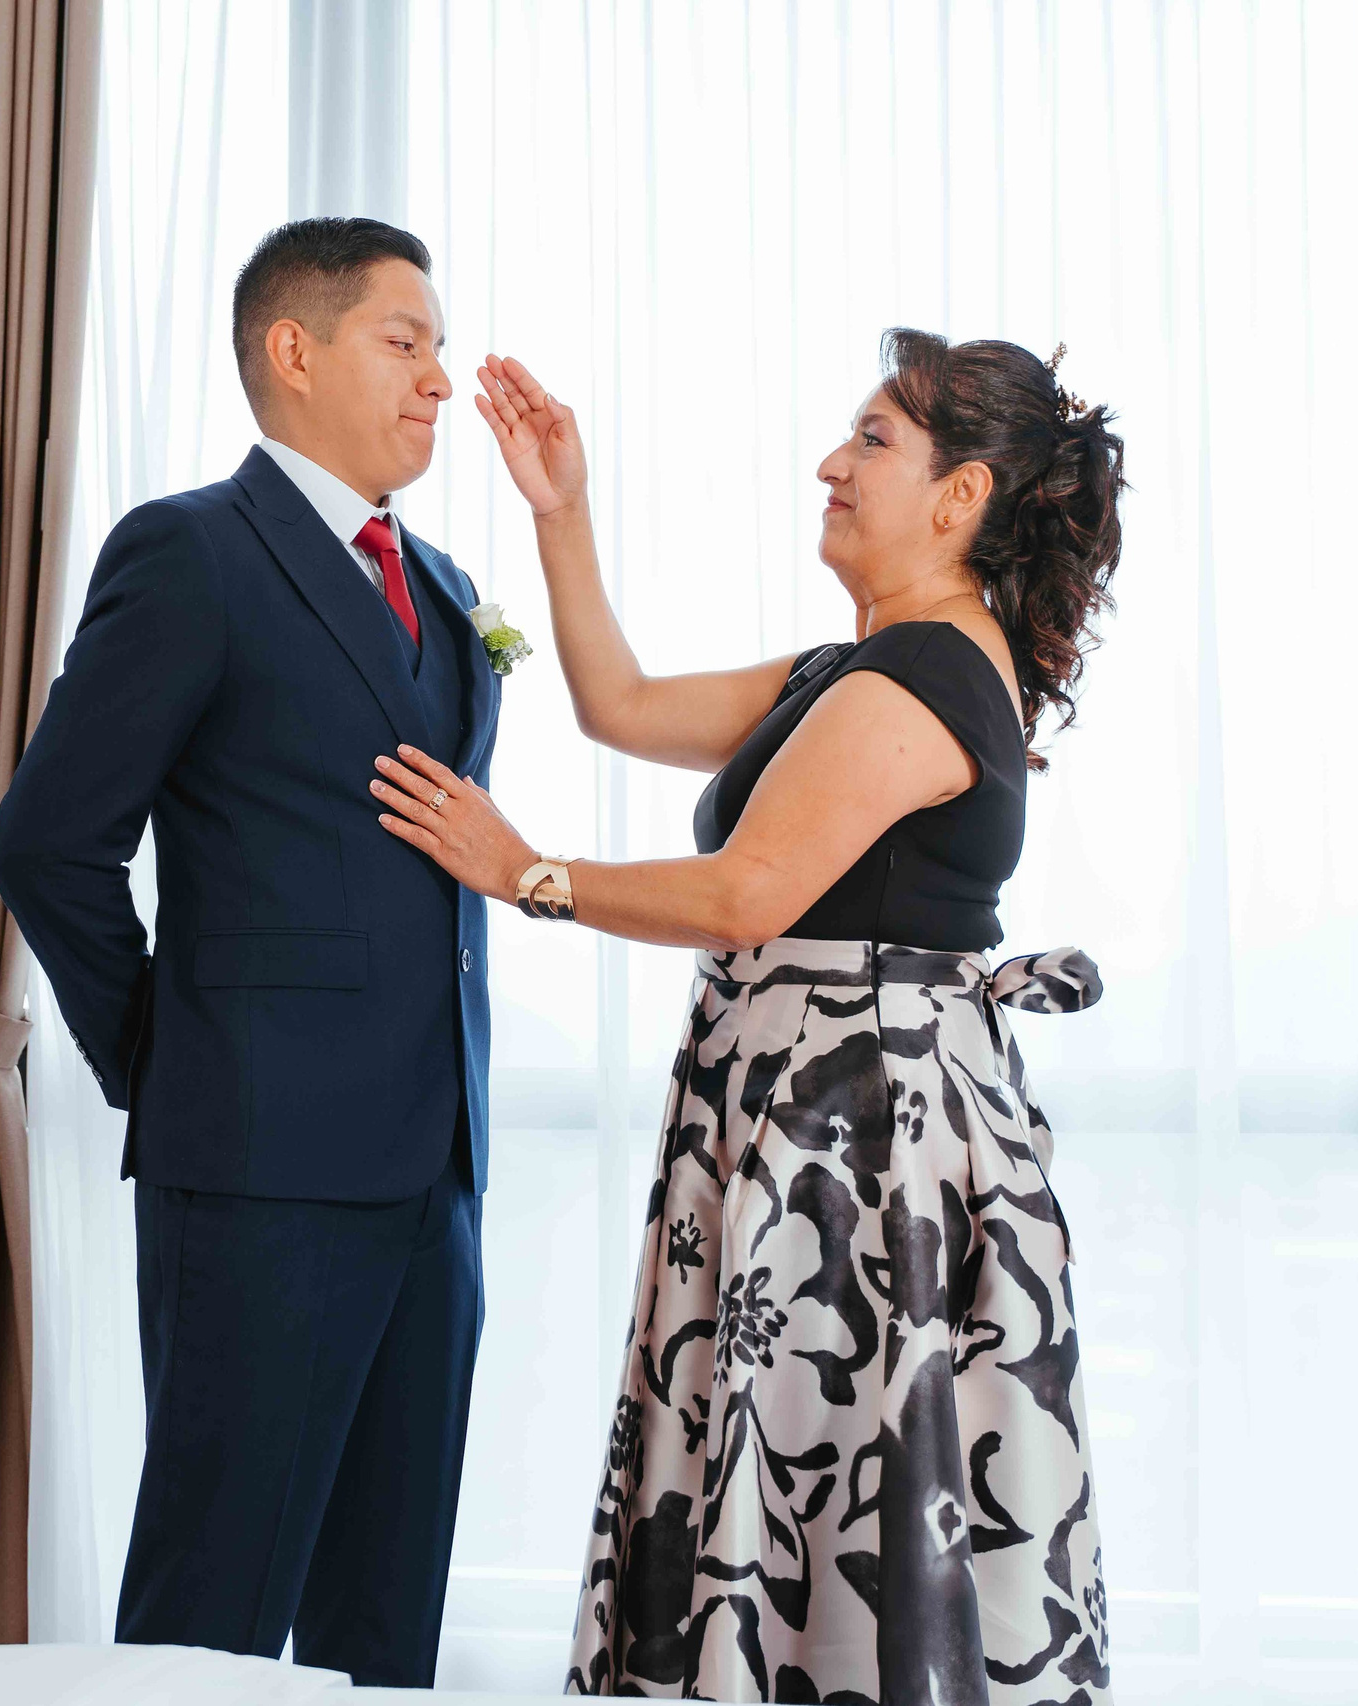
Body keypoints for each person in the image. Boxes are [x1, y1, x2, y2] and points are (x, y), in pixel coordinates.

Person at [368, 334, 1125, 1703]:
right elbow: (622, 704)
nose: (833, 463)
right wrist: (563, 511)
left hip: (855, 1146)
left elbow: (744, 891)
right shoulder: (864, 665)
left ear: (959, 500)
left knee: (830, 1509)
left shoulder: (930, 676)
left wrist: (522, 871)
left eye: (875, 440)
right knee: (807, 1504)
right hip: (813, 1124)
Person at [0, 217, 500, 1689]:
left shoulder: (455, 590)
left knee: (385, 1626)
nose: (440, 380)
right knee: (212, 1613)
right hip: (261, 1169)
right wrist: (168, 1053)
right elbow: (52, 842)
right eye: (406, 342)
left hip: (436, 1178)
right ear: (294, 349)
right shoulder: (193, 552)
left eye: (441, 348)